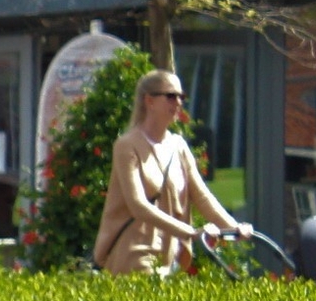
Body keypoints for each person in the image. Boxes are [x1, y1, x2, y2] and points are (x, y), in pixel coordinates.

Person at [93, 69, 250, 275]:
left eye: (181, 96)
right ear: (149, 101)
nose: (178, 102)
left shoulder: (178, 146)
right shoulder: (127, 146)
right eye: (171, 96)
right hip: (135, 255)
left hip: (170, 259)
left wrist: (234, 228)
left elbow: (202, 197)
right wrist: (192, 233)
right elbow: (138, 206)